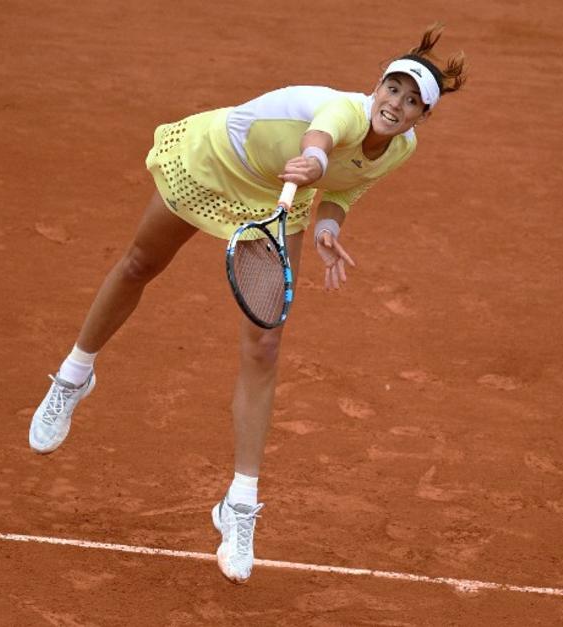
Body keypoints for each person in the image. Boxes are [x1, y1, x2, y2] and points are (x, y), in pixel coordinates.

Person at [28, 24, 467, 584]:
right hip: (216, 159)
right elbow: (322, 143)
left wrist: (330, 225)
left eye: (411, 102)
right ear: (375, 87)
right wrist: (311, 160)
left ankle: (238, 504)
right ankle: (73, 376)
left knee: (265, 342)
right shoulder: (342, 111)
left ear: (421, 117)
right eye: (392, 90)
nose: (396, 105)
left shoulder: (400, 149)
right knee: (141, 263)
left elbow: (343, 189)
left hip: (278, 201)